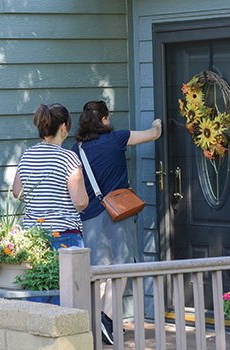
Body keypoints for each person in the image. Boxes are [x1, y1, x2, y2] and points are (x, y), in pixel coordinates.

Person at [72, 100, 162, 345]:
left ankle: (97, 321)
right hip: (117, 213)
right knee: (122, 267)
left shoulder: (76, 149)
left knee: (99, 270)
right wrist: (158, 121)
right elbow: (153, 135)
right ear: (103, 120)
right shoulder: (117, 138)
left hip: (89, 215)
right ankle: (108, 318)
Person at [13, 103, 89, 250]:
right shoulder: (68, 158)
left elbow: (17, 192)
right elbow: (80, 202)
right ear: (63, 127)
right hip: (64, 235)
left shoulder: (27, 155)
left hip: (33, 236)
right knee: (69, 274)